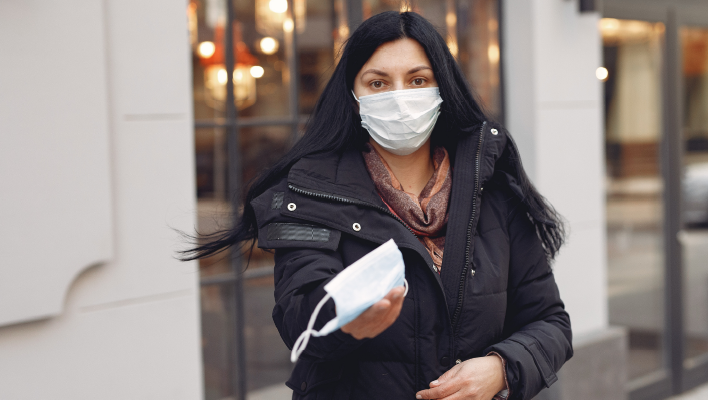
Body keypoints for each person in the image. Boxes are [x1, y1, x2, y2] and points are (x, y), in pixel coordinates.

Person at [183, 11, 572, 400]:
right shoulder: (311, 194)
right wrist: (344, 320)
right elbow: (300, 320)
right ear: (353, 97)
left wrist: (501, 368)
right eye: (378, 83)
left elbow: (550, 321)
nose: (399, 97)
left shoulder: (492, 192)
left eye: (417, 80)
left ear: (442, 90)